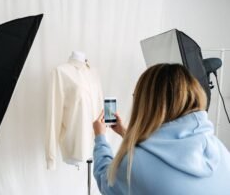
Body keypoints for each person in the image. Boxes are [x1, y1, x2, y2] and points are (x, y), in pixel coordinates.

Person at [93, 63, 230, 195]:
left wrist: (100, 138)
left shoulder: (133, 165)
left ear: (146, 104)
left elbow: (106, 182)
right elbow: (166, 148)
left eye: (136, 97)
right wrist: (125, 132)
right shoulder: (220, 149)